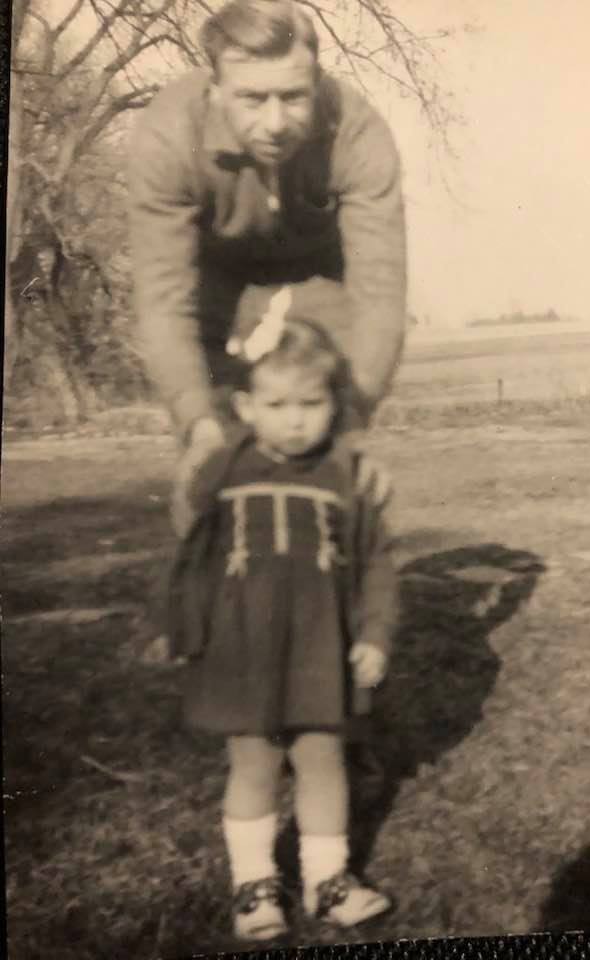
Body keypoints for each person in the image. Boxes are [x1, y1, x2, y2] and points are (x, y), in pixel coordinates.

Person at [162, 291, 397, 941]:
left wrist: (375, 634)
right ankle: (254, 886)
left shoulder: (345, 475)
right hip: (244, 653)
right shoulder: (225, 470)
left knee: (324, 761)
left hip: (323, 648)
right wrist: (183, 628)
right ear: (245, 408)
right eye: (276, 405)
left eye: (311, 404)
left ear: (336, 407)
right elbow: (190, 545)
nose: (295, 422)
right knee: (255, 765)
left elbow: (376, 562)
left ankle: (328, 881)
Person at [128, 0, 407, 530]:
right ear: (215, 90)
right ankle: (210, 597)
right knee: (215, 466)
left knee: (331, 455)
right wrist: (198, 425)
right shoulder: (167, 134)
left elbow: (380, 293)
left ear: (317, 83)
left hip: (321, 279)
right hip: (215, 282)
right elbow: (165, 302)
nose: (276, 123)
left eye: (294, 97)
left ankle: (342, 595)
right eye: (253, 99)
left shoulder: (358, 131)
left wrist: (351, 419)